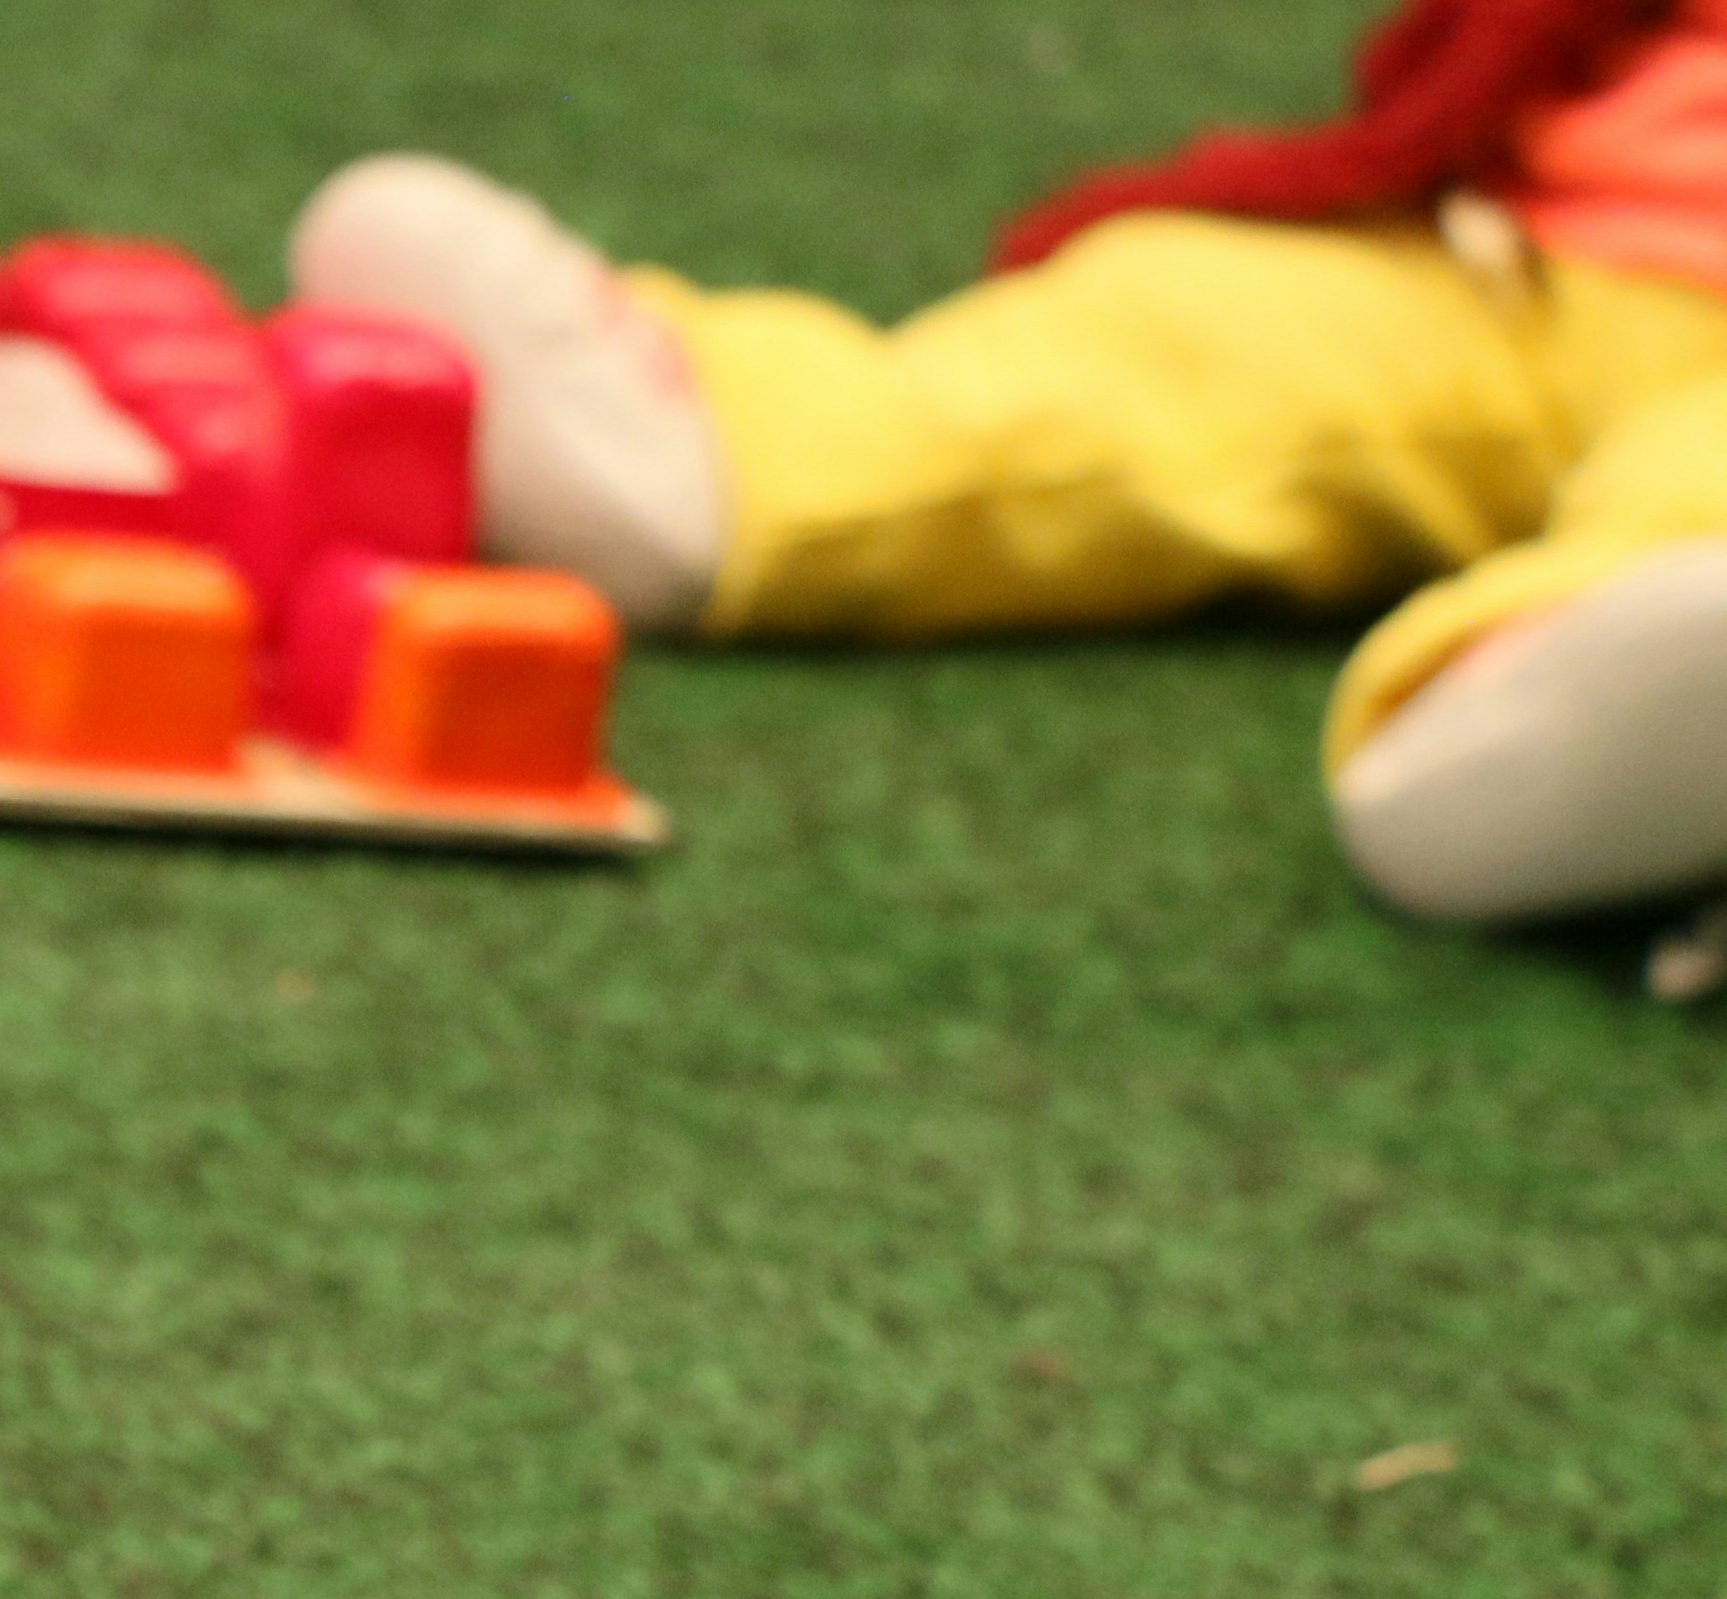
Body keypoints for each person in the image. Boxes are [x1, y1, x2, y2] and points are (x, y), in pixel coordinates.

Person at [292, 0, 1727, 926]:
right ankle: (725, 451)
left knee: (1692, 504)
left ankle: (1549, 715)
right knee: (1179, 326)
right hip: (1532, 240)